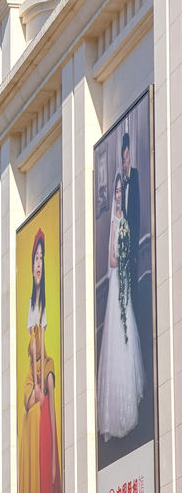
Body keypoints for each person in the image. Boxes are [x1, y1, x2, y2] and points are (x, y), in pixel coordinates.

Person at [97, 172, 145, 440]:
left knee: (129, 337)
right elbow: (111, 261)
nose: (117, 195)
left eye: (119, 190)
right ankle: (117, 410)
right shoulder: (115, 224)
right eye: (115, 191)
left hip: (124, 283)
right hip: (117, 282)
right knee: (117, 335)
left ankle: (129, 402)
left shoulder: (124, 219)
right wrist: (123, 258)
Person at [19, 230, 60, 493]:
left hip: (42, 374)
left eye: (41, 259)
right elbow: (31, 353)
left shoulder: (43, 305)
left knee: (49, 382)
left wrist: (42, 380)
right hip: (31, 380)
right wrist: (33, 388)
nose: (37, 263)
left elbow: (42, 352)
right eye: (35, 257)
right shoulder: (31, 306)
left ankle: (55, 463)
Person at [121, 131, 141, 314]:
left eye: (128, 158)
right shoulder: (122, 184)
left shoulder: (135, 177)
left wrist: (134, 250)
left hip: (134, 251)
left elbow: (137, 214)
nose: (126, 163)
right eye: (124, 160)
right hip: (124, 253)